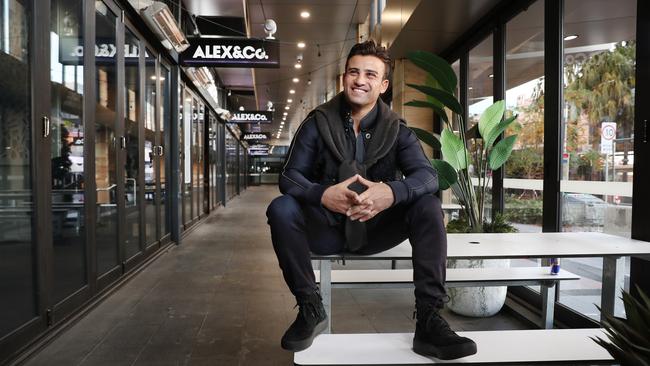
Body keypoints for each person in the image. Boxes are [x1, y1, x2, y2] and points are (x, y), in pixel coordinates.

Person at [266, 40, 477, 360]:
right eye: (353, 72)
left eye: (369, 74)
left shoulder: (398, 129)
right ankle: (310, 308)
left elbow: (428, 177)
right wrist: (322, 194)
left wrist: (392, 192)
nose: (360, 80)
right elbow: (289, 177)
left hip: (377, 229)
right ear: (343, 78)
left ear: (383, 84)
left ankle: (430, 320)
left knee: (428, 204)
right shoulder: (316, 122)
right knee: (281, 207)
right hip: (326, 229)